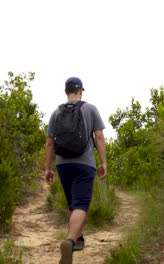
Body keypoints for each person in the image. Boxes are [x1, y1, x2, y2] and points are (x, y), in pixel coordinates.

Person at [44, 77, 107, 264]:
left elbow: (49, 142)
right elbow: (100, 136)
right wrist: (103, 162)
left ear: (66, 92)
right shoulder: (91, 109)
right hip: (84, 163)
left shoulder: (56, 113)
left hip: (62, 164)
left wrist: (48, 168)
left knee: (73, 203)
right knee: (81, 204)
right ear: (81, 91)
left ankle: (78, 239)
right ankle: (70, 241)